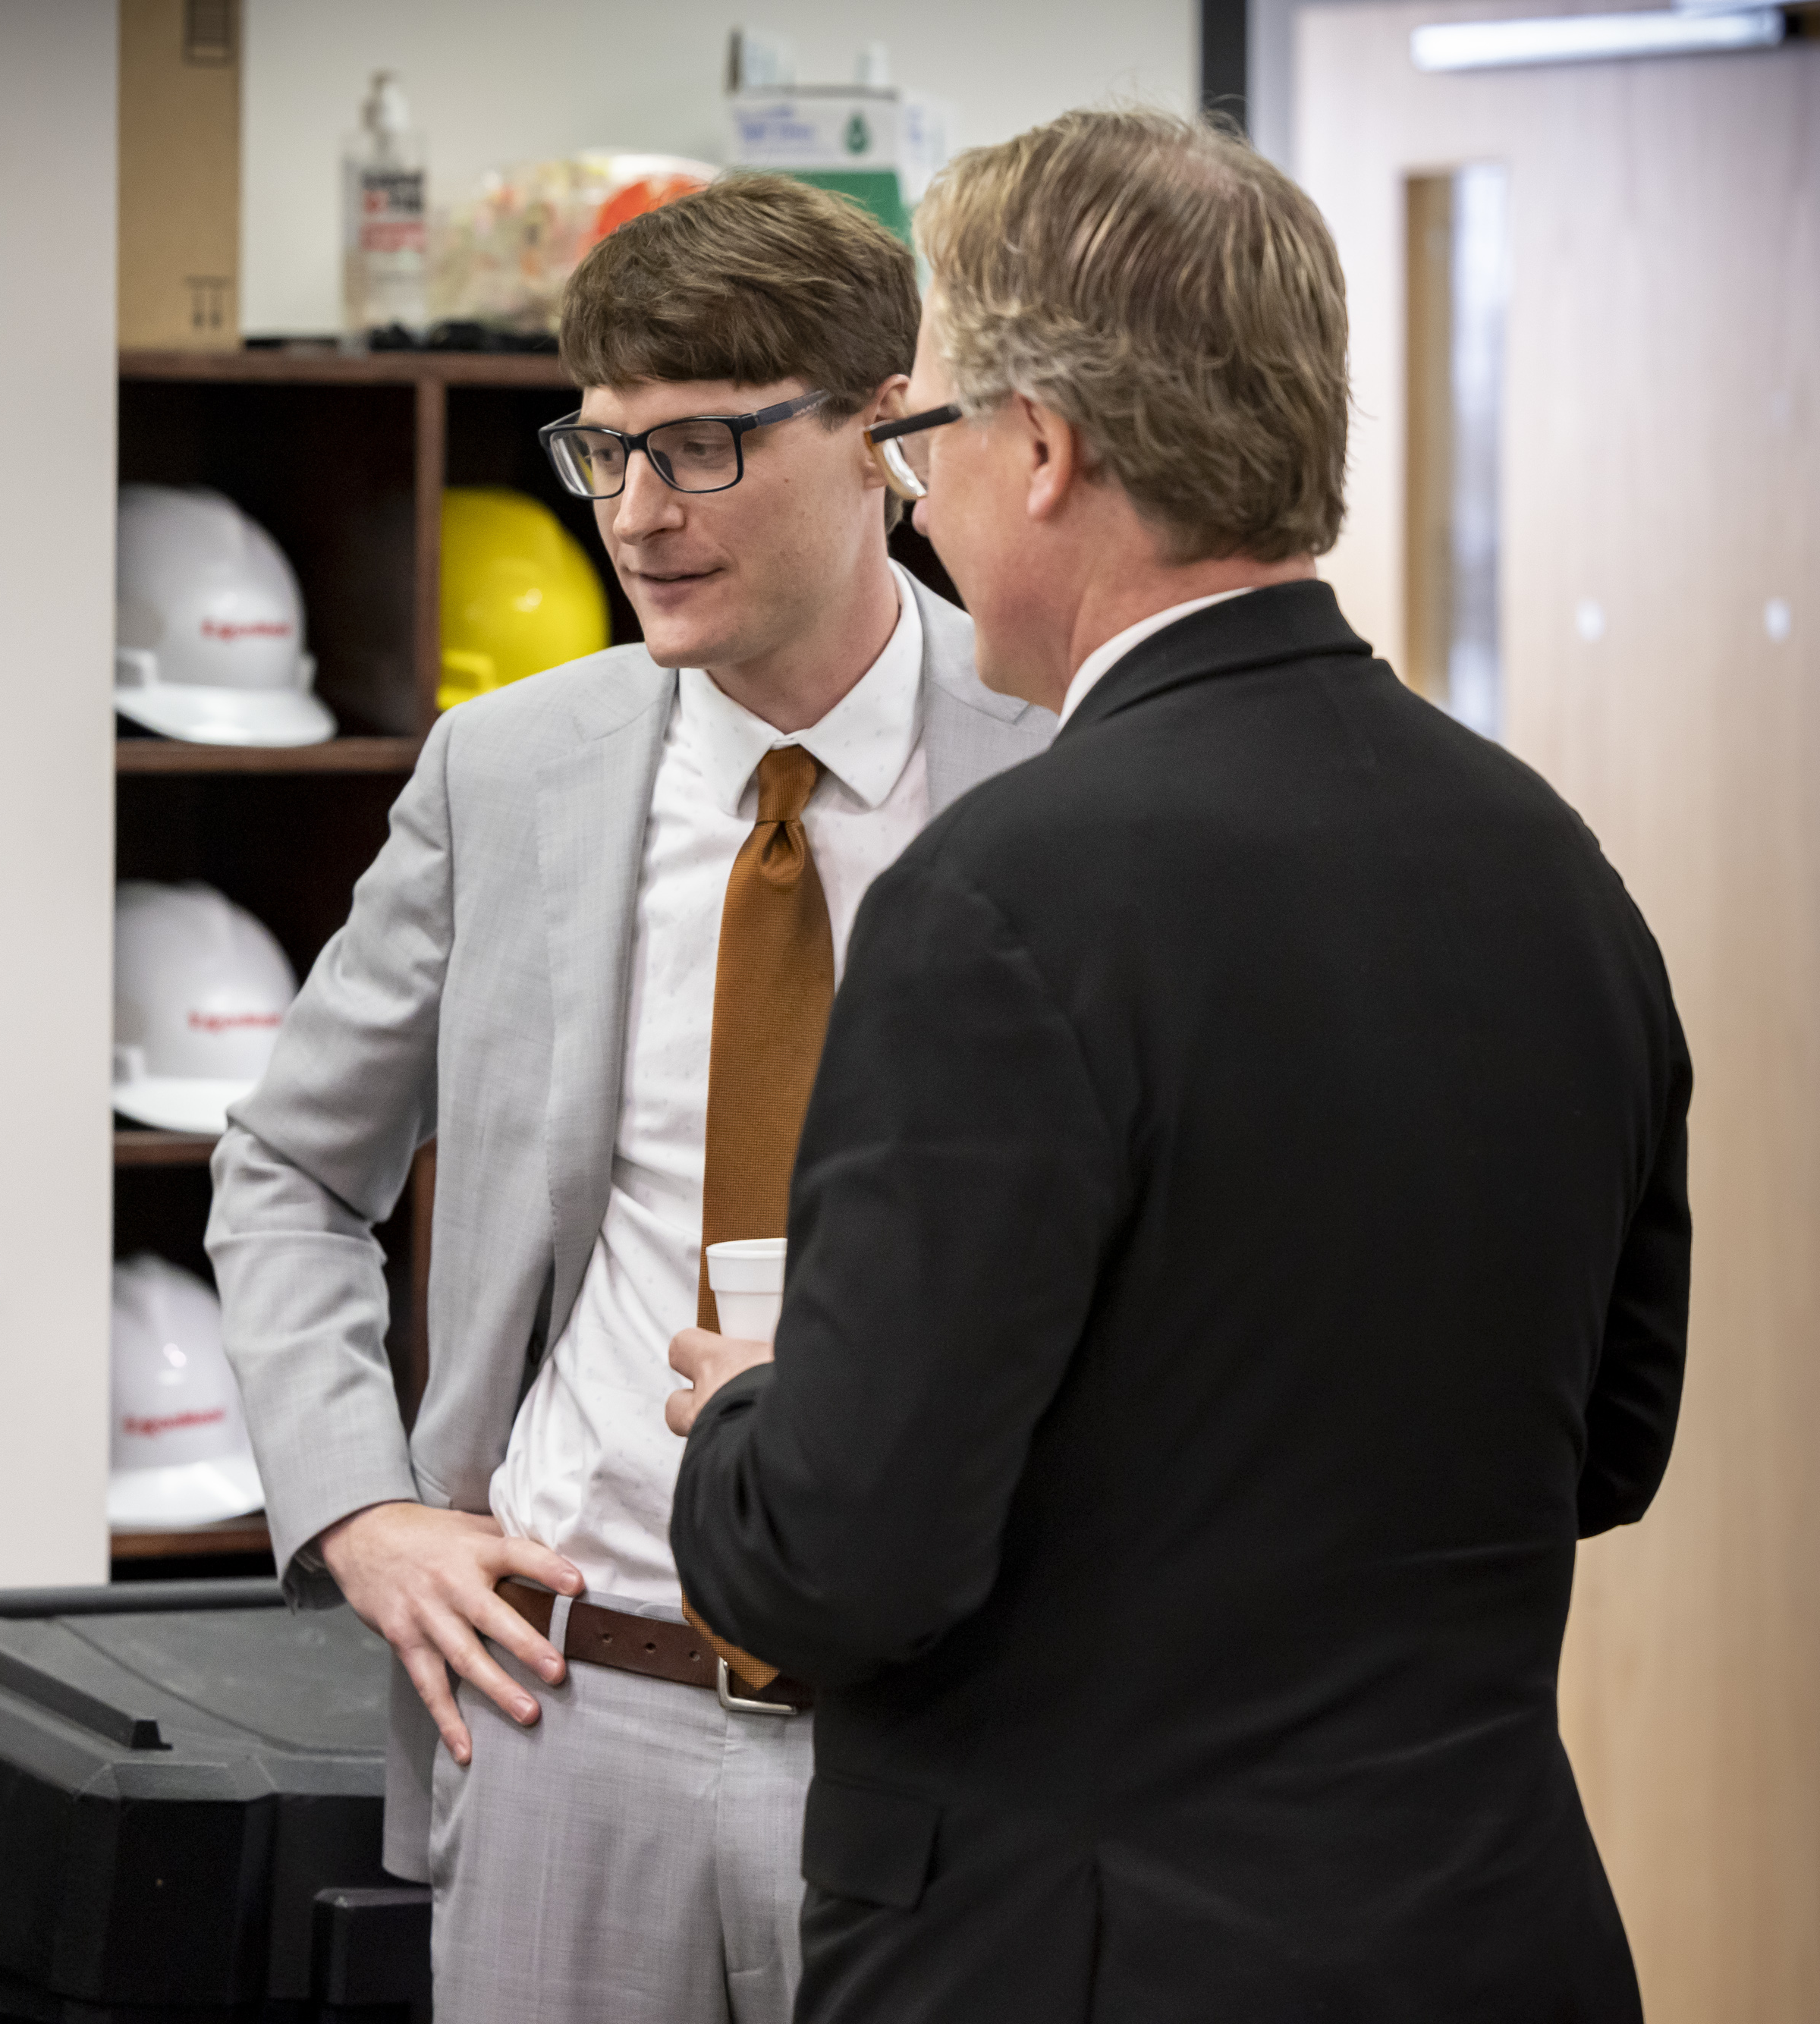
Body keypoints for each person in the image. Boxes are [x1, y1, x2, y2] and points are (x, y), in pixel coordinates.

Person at [668, 109, 1688, 2021]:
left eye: (923, 437)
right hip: (1489, 1935)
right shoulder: (1549, 863)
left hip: (1076, 1953)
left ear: (1041, 452)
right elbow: (1605, 1438)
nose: (913, 497)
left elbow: (837, 1557)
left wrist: (758, 1415)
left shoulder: (1004, 895)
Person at [207, 174, 1052, 2024]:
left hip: (949, 1738)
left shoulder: (1056, 777)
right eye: (601, 454)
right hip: (566, 1713)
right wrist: (355, 1506)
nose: (638, 518)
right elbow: (283, 1165)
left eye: (700, 448)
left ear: (882, 430)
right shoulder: (508, 768)